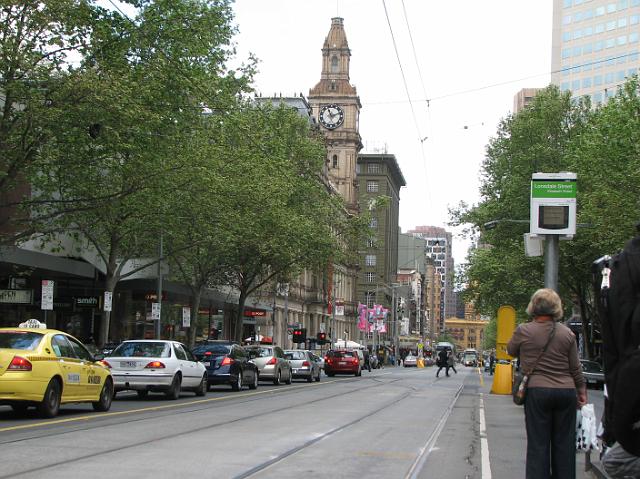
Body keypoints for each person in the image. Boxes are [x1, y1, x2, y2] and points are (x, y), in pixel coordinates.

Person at [507, 288, 587, 479]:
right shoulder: (567, 334)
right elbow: (575, 368)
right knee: (564, 446)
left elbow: (510, 350)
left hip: (537, 391)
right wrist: (581, 391)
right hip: (566, 393)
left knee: (538, 445)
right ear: (556, 308)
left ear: (533, 307)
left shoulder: (524, 330)